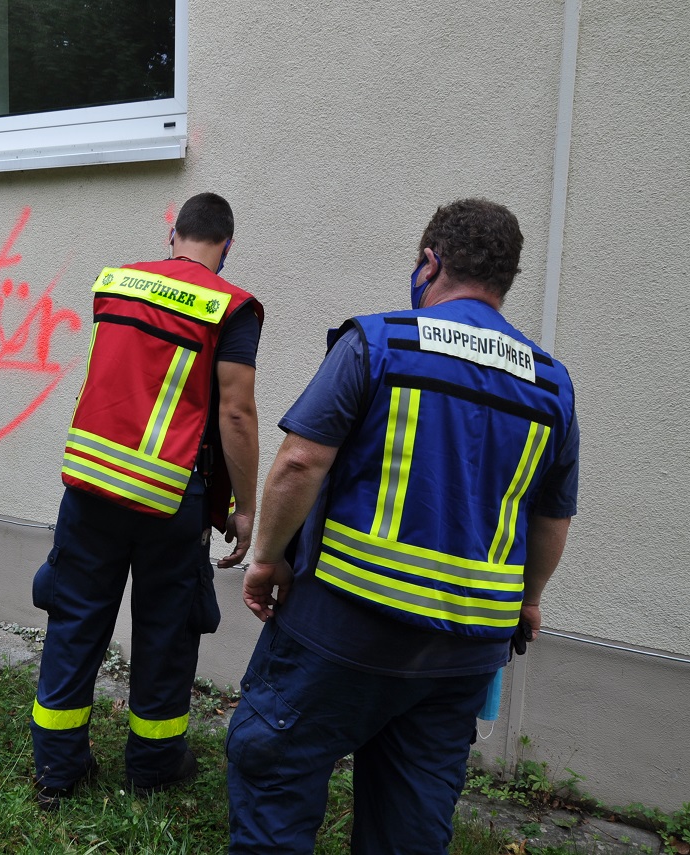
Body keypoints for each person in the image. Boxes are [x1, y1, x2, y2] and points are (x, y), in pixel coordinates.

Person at [226, 198, 579, 853]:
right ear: (502, 281)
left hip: (342, 627)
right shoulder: (550, 385)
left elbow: (299, 460)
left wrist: (268, 557)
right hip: (463, 650)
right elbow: (551, 518)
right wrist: (527, 600)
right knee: (410, 818)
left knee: (277, 772)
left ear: (429, 263)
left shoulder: (381, 340)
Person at [30, 192, 262, 809]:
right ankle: (154, 766)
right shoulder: (230, 308)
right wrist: (245, 505)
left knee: (75, 620)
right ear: (226, 246)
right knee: (165, 631)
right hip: (167, 496)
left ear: (173, 235)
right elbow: (236, 412)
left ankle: (57, 769)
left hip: (91, 483)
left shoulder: (117, 283)